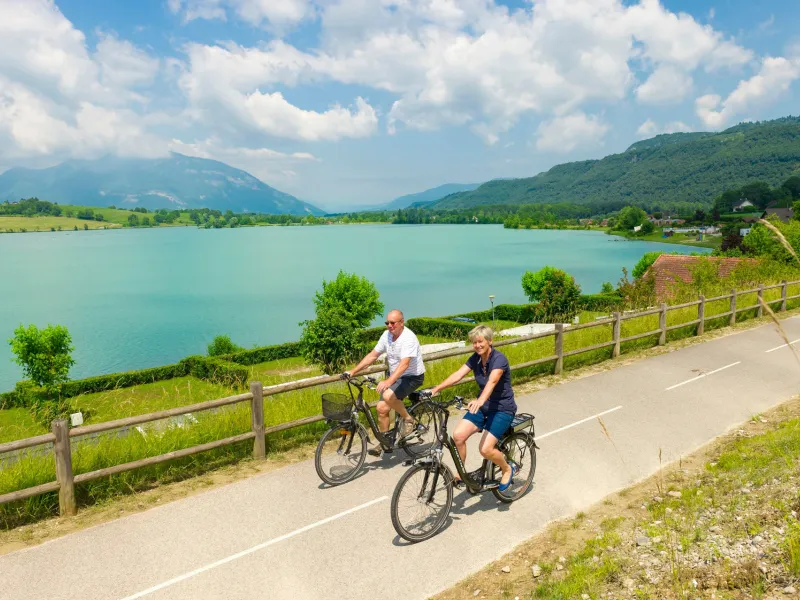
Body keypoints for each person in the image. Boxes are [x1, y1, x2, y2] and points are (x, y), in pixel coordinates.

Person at [430, 325, 517, 491]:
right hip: (483, 407)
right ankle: (462, 473)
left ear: (490, 341)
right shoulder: (476, 358)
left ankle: (507, 469)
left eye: (480, 341)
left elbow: (492, 381)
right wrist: (436, 389)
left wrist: (480, 400)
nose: (477, 345)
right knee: (458, 436)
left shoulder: (499, 359)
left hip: (502, 408)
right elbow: (458, 374)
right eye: (474, 342)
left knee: (485, 449)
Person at [344, 309, 425, 456]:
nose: (389, 325)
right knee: (381, 408)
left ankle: (409, 419)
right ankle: (385, 442)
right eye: (387, 322)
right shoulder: (386, 335)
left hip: (412, 376)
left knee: (388, 396)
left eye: (393, 323)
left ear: (402, 322)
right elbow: (373, 355)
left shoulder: (409, 338)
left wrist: (388, 381)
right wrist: (353, 371)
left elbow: (404, 364)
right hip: (396, 376)